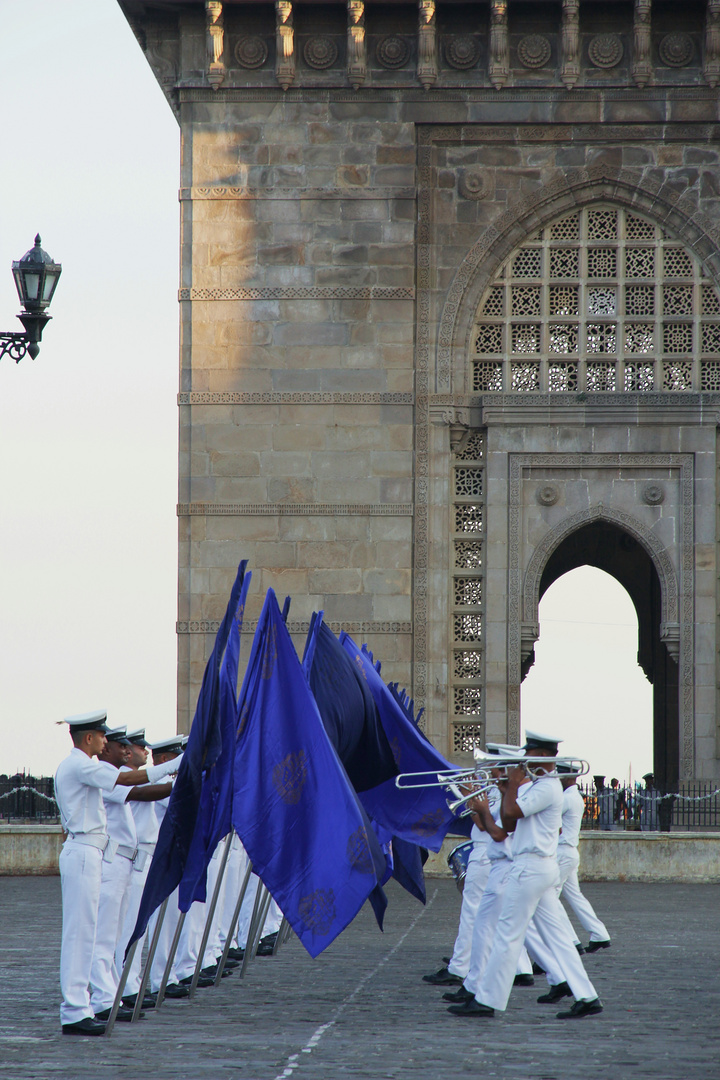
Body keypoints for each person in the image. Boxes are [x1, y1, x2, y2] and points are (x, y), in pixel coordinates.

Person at [448, 730, 602, 1021]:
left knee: (507, 934)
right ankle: (587, 995)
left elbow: (508, 817)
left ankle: (487, 999)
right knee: (557, 938)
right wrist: (509, 788)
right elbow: (510, 821)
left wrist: (510, 788)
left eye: (530, 754)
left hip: (530, 868)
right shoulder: (541, 784)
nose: (524, 760)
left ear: (543, 756)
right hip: (536, 866)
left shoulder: (546, 787)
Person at [54, 712, 182, 1036]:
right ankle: (74, 1009)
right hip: (84, 851)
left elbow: (128, 780)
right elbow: (127, 781)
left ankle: (86, 1005)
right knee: (81, 934)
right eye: (101, 736)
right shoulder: (79, 764)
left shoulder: (84, 765)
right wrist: (172, 768)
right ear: (88, 739)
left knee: (92, 934)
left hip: (93, 853)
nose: (105, 741)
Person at [554, 764, 611, 963]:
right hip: (569, 851)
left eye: (559, 775)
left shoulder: (566, 798)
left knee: (549, 898)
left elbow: (550, 821)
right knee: (574, 896)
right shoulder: (575, 797)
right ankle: (599, 934)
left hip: (562, 852)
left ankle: (571, 941)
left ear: (567, 778)